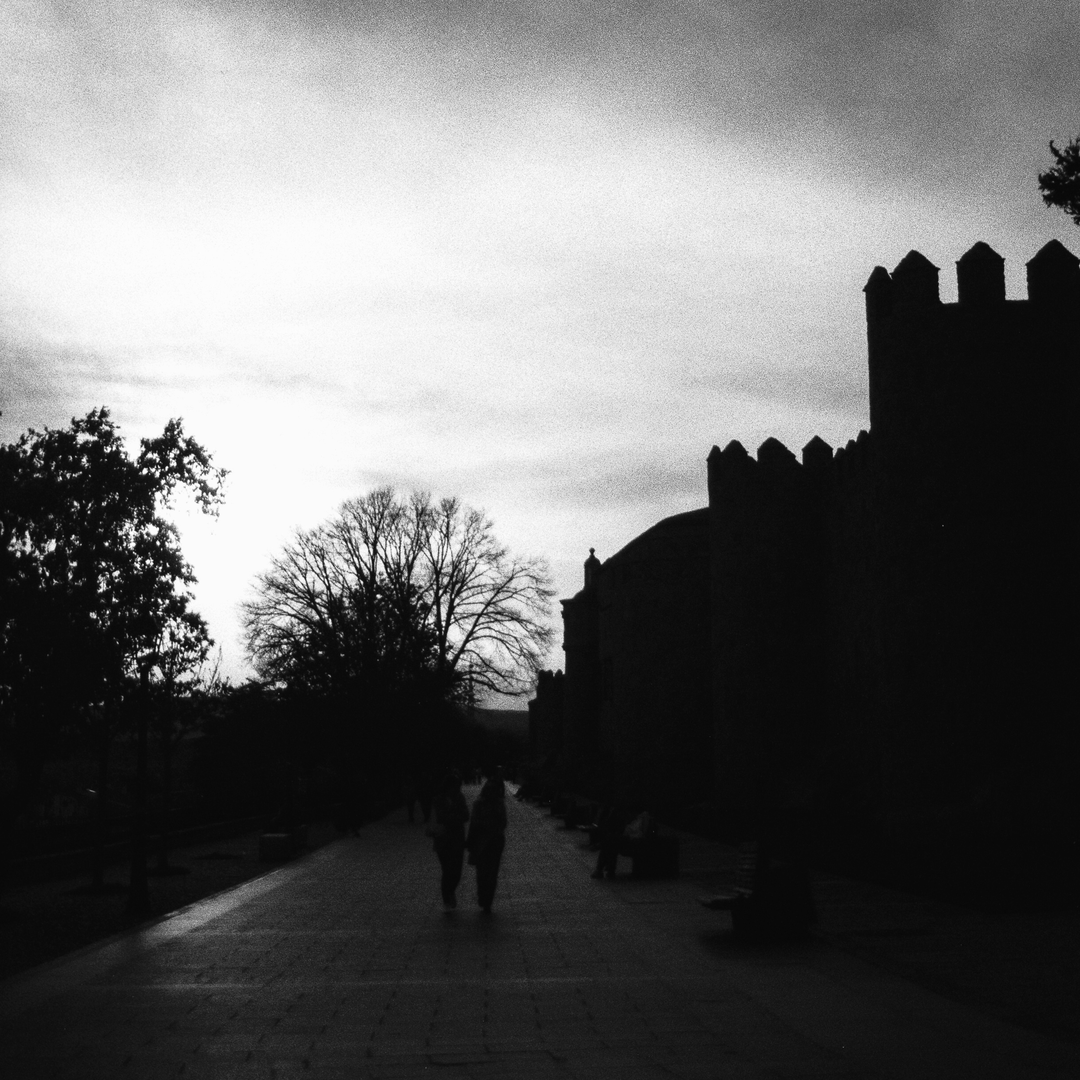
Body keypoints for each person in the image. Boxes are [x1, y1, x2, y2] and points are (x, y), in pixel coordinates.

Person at [466, 774, 507, 913]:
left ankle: (486, 898)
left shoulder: (495, 805)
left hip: (491, 841)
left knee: (487, 872)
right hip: (486, 841)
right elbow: (501, 823)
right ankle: (485, 898)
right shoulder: (483, 804)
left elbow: (502, 823)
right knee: (486, 872)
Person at [430, 771, 470, 908]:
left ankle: (450, 891)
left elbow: (466, 815)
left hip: (457, 839)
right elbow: (441, 817)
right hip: (443, 840)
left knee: (457, 872)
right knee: (447, 870)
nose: (457, 789)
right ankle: (446, 899)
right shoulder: (439, 799)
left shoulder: (460, 798)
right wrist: (455, 817)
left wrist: (452, 817)